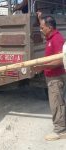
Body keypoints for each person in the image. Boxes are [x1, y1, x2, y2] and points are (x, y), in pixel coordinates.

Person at [33, 13, 66, 141]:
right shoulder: (50, 37)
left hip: (56, 78)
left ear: (50, 27)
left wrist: (41, 67)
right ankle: (62, 125)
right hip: (52, 77)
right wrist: (39, 17)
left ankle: (60, 131)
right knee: (58, 102)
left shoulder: (57, 39)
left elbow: (60, 61)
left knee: (56, 103)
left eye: (42, 28)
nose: (41, 30)